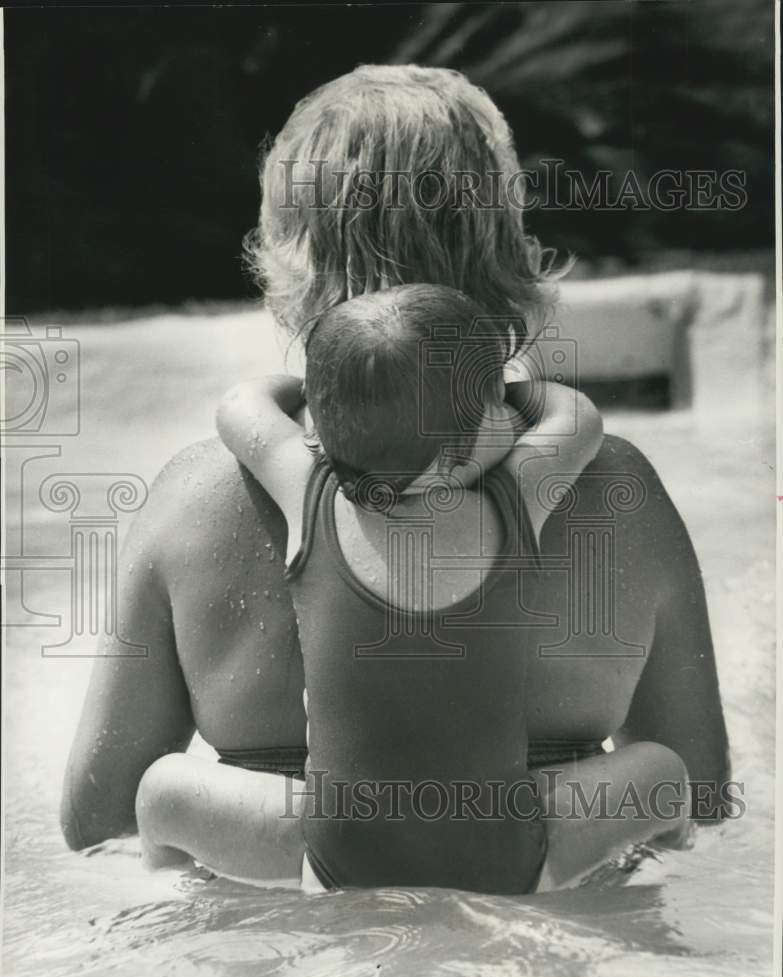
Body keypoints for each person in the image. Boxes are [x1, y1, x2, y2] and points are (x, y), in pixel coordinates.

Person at [62, 65, 729, 890]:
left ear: (285, 255)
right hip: (525, 891)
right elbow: (696, 799)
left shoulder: (199, 498)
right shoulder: (611, 489)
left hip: (291, 925)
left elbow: (97, 823)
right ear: (510, 248)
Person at [135, 283, 609, 892]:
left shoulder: (304, 491)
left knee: (163, 789)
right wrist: (514, 399)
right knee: (663, 773)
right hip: (512, 859)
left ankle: (169, 889)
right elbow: (578, 417)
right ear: (467, 442)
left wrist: (320, 395)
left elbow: (239, 408)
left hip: (331, 861)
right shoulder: (516, 499)